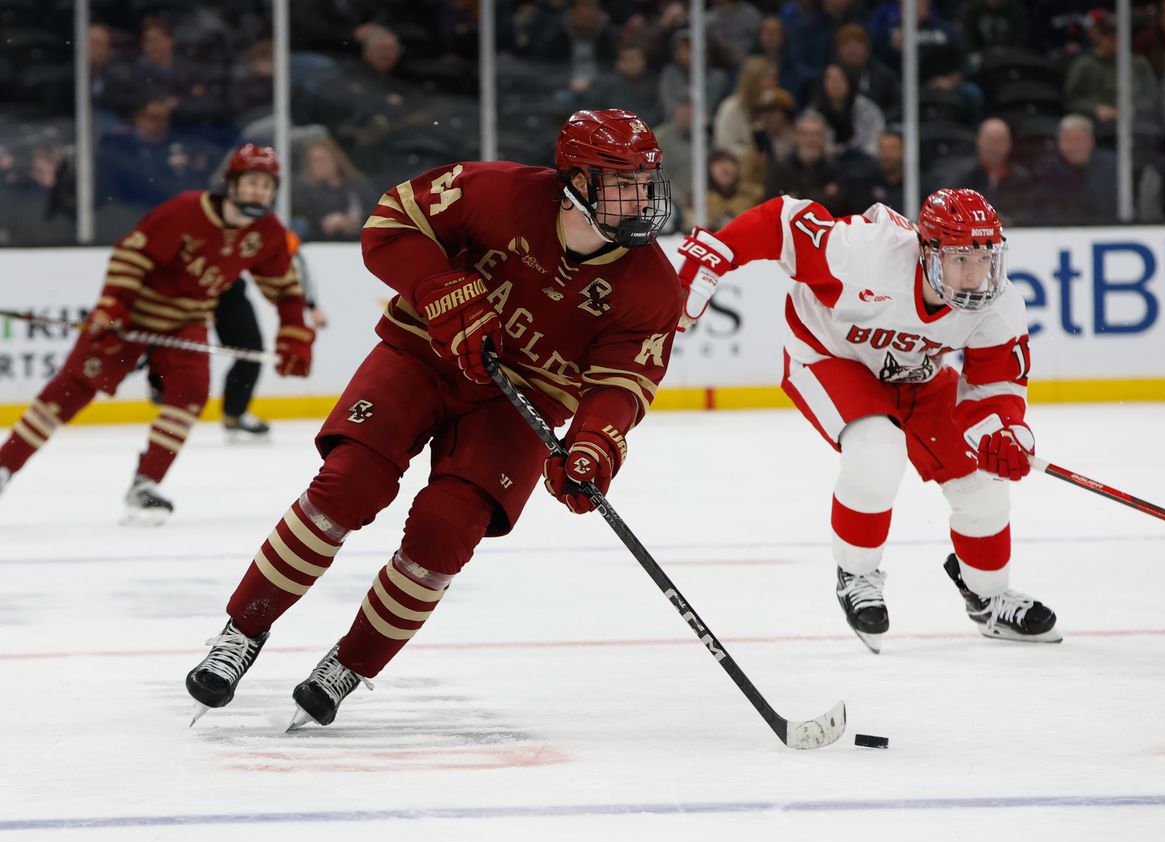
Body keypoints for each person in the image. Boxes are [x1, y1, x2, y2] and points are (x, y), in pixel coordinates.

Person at [184, 109, 681, 729]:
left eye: (645, 180)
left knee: (445, 535)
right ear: (576, 181)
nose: (641, 198)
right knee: (346, 487)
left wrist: (592, 447)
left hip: (520, 402)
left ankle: (350, 664)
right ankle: (242, 631)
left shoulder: (655, 287)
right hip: (422, 353)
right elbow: (388, 225)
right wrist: (441, 288)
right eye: (621, 181)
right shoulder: (493, 191)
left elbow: (623, 384)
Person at [675, 188, 1061, 653]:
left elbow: (994, 388)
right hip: (830, 355)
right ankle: (856, 575)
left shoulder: (998, 303)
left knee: (982, 483)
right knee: (876, 451)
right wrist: (718, 251)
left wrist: (1002, 433)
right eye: (961, 260)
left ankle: (989, 596)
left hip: (917, 373)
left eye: (986, 260)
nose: (976, 275)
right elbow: (782, 221)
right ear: (927, 251)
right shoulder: (863, 253)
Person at [0, 145, 315, 521]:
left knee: (191, 394)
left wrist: (296, 333)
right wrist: (112, 307)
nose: (259, 192)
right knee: (70, 390)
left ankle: (145, 484)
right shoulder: (185, 210)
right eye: (251, 182)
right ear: (231, 184)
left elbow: (285, 289)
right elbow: (130, 257)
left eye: (266, 185)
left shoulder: (266, 233)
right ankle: (5, 465)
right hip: (131, 316)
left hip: (186, 323)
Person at [212, 228, 328, 441]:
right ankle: (159, 380)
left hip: (228, 291)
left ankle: (234, 414)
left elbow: (294, 270)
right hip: (184, 286)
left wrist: (307, 310)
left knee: (251, 352)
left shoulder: (270, 230)